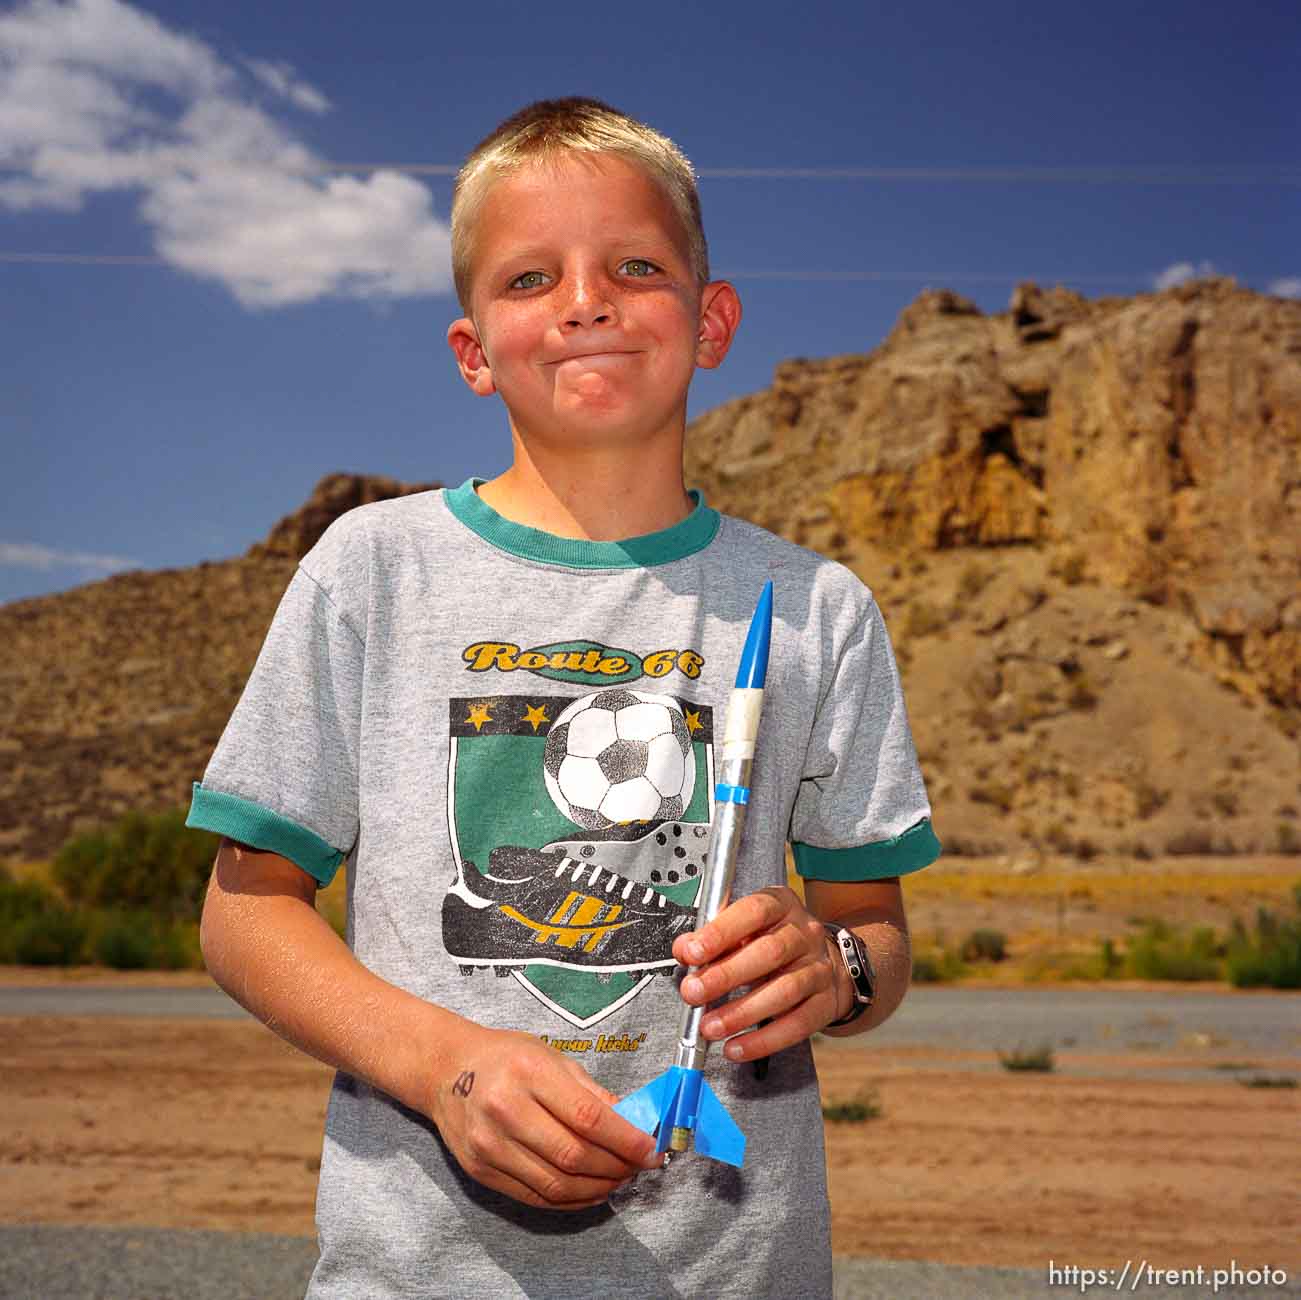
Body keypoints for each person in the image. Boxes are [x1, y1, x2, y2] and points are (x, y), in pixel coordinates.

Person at [188, 96, 941, 1300]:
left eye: (634, 266)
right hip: (418, 1271)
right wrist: (443, 1064)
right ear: (472, 347)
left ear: (710, 321)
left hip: (733, 1270)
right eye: (531, 276)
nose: (586, 299)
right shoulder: (372, 569)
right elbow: (243, 910)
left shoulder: (815, 606)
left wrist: (834, 967)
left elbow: (875, 928)